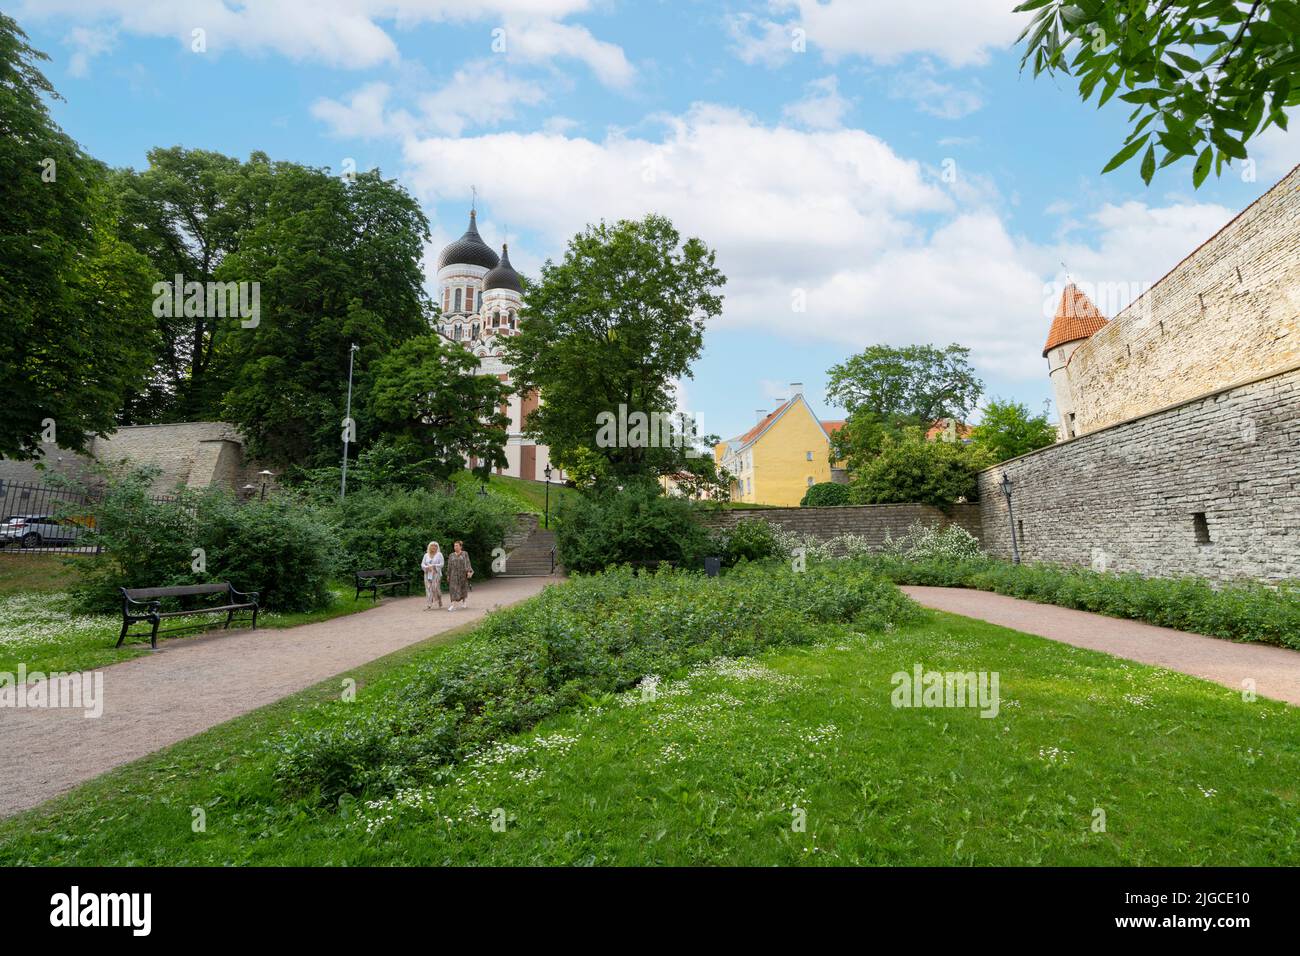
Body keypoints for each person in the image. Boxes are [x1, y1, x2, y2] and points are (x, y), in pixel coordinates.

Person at [446, 540, 473, 611]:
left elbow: (467, 563)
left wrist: (469, 571)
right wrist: (448, 575)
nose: (455, 547)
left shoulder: (465, 554)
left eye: (457, 546)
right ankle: (453, 605)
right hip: (453, 574)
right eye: (454, 546)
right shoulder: (451, 555)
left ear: (461, 546)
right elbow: (449, 566)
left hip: (462, 574)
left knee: (463, 588)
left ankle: (464, 601)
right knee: (453, 589)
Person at [421, 541, 444, 610]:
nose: (434, 547)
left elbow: (442, 564)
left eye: (435, 546)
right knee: (428, 589)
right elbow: (422, 564)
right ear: (429, 547)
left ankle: (439, 599)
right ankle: (429, 604)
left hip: (436, 574)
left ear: (437, 547)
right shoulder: (426, 555)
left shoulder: (439, 554)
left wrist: (434, 566)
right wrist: (427, 567)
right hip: (427, 574)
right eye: (432, 546)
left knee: (435, 588)